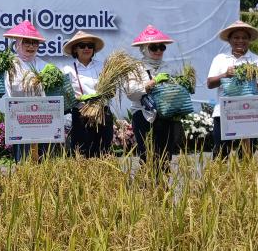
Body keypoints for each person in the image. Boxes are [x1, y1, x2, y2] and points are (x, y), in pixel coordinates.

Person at [206, 20, 258, 158]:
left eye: (244, 38)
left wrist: (246, 99)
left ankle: (245, 179)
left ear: (249, 40)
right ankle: (220, 179)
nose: (240, 41)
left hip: (249, 113)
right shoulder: (220, 59)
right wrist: (225, 75)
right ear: (229, 40)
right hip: (223, 112)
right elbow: (210, 83)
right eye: (236, 37)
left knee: (246, 154)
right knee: (220, 152)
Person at [126, 25, 180, 170]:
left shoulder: (169, 68)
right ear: (144, 48)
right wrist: (150, 84)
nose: (158, 51)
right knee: (147, 156)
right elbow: (131, 93)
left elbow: (177, 91)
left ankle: (163, 190)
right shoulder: (135, 67)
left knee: (165, 157)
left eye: (161, 47)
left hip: (165, 116)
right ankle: (148, 190)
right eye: (153, 48)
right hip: (144, 116)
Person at [4, 20, 57, 161]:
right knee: (22, 159)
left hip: (42, 118)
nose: (31, 46)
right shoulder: (10, 65)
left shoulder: (44, 65)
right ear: (18, 43)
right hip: (20, 117)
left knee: (44, 159)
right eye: (27, 42)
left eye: (35, 42)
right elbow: (12, 91)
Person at [62, 30, 113, 157]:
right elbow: (66, 96)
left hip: (102, 113)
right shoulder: (67, 69)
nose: (86, 48)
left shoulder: (103, 67)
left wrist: (105, 94)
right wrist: (79, 98)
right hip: (81, 115)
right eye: (82, 46)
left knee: (104, 151)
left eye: (90, 46)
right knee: (82, 153)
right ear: (75, 50)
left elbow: (112, 91)